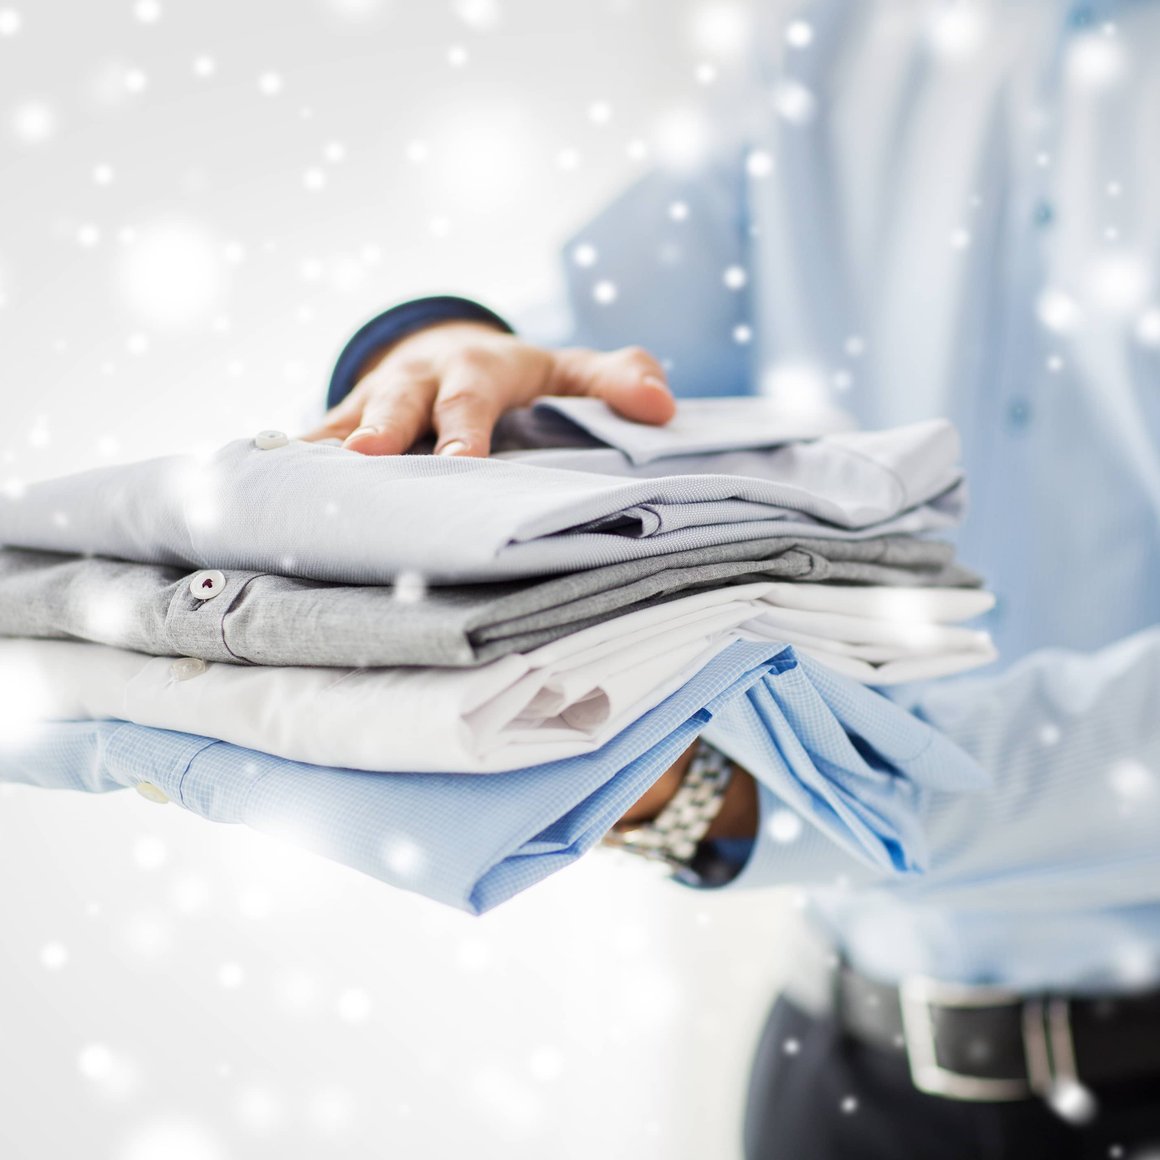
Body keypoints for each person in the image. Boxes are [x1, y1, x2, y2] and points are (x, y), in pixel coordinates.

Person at [305, 1, 1160, 1156]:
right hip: (836, 1077)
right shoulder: (841, 28)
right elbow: (621, 360)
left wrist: (776, 790)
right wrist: (451, 359)